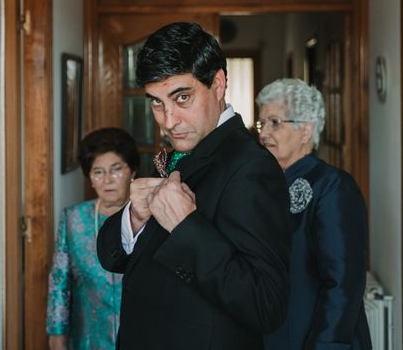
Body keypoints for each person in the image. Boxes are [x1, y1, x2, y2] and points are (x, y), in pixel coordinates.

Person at [97, 22, 291, 350]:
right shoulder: (185, 148)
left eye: (182, 97)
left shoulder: (252, 167)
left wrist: (187, 227)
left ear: (217, 84)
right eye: (156, 102)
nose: (168, 120)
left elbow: (266, 305)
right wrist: (134, 218)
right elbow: (110, 256)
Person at [256, 79, 371, 350]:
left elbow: (342, 283)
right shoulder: (267, 184)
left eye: (275, 122)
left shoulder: (333, 186)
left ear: (305, 130)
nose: (263, 134)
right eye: (262, 124)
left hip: (320, 337)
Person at [47, 127, 139, 350]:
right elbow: (60, 281)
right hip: (89, 337)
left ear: (133, 172)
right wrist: (57, 334)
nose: (107, 180)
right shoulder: (73, 219)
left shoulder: (149, 217)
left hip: (141, 334)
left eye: (116, 170)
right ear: (90, 178)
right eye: (98, 172)